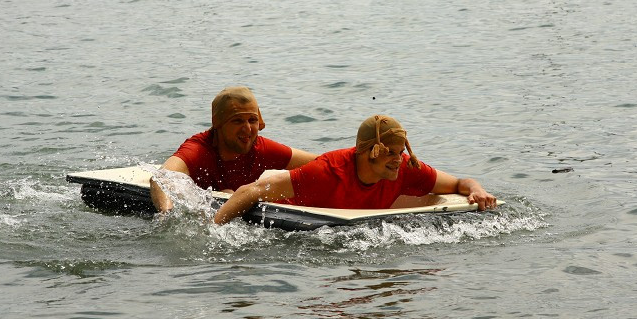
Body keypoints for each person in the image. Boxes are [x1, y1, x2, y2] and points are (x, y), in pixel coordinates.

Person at [214, 114, 497, 225]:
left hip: (352, 209)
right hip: (285, 204)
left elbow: (461, 182)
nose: (398, 160)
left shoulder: (406, 168)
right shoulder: (327, 171)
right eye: (389, 153)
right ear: (368, 152)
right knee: (238, 190)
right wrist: (213, 230)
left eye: (401, 152)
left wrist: (478, 190)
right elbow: (251, 191)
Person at [150, 86, 318, 212]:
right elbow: (161, 178)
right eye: (237, 121)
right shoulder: (198, 150)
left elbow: (321, 164)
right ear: (219, 124)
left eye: (252, 120)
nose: (247, 129)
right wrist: (167, 215)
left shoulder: (261, 148)